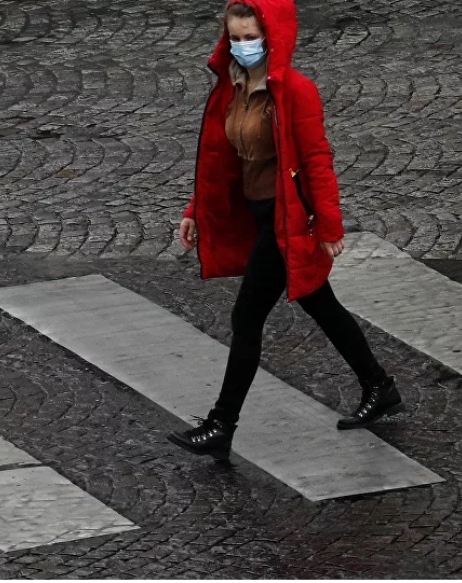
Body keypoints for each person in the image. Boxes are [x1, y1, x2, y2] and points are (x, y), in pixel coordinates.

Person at [167, 0, 404, 462]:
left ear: (270, 36)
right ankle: (379, 385)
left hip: (285, 219)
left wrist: (330, 225)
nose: (242, 46)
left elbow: (317, 160)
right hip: (256, 216)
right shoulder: (231, 89)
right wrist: (195, 209)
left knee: (246, 318)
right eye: (235, 38)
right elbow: (218, 160)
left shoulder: (296, 91)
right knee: (320, 301)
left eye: (250, 37)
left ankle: (221, 424)